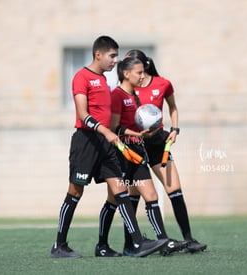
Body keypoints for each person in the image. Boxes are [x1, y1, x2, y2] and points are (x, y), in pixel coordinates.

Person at [50, 36, 167, 259]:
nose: (116, 61)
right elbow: (83, 115)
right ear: (98, 55)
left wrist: (125, 133)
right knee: (75, 191)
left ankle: (135, 243)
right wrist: (106, 132)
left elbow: (111, 119)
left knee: (120, 189)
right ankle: (59, 245)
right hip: (86, 142)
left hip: (106, 144)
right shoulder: (81, 77)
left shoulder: (104, 81)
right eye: (112, 56)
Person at [123, 49, 208, 253]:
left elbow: (173, 108)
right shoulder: (125, 89)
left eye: (129, 63)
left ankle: (188, 240)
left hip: (158, 143)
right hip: (135, 144)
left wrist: (175, 129)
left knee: (175, 191)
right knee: (133, 195)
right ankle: (131, 244)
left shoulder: (163, 84)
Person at [107, 56, 187, 256]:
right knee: (114, 200)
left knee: (151, 196)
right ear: (127, 73)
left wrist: (151, 131)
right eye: (139, 72)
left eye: (144, 71)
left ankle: (163, 241)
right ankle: (111, 244)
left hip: (140, 149)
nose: (143, 76)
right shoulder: (117, 94)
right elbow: (114, 127)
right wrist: (136, 134)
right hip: (125, 153)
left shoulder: (135, 94)